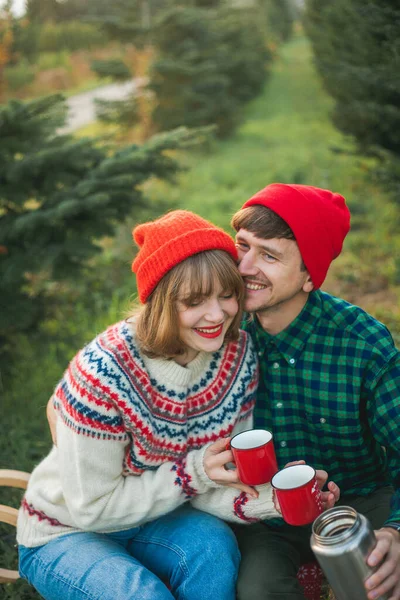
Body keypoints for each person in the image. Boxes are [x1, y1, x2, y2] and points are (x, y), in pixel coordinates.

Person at [17, 209, 337, 600]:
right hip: (67, 528)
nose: (217, 315)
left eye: (227, 295)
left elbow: (216, 476)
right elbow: (93, 510)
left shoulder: (235, 356)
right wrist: (193, 472)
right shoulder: (104, 373)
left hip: (159, 518)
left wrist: (272, 501)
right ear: (162, 303)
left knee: (215, 551)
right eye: (195, 301)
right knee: (142, 594)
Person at [230, 183, 400, 600]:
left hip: (360, 500)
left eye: (269, 256)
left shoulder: (362, 344)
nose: (245, 267)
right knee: (257, 590)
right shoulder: (221, 333)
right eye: (242, 247)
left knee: (380, 582)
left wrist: (396, 530)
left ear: (309, 276)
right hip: (267, 515)